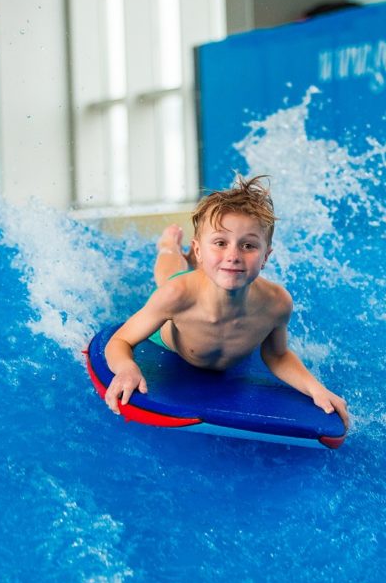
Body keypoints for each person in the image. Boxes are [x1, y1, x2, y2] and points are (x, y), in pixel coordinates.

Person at [103, 174, 349, 428]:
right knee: (168, 275)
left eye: (248, 246)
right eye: (220, 242)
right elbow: (120, 341)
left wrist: (315, 388)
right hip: (172, 327)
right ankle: (169, 246)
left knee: (200, 272)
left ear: (266, 256)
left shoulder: (276, 303)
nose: (233, 255)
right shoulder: (177, 296)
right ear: (199, 249)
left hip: (205, 285)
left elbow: (277, 355)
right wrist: (126, 368)